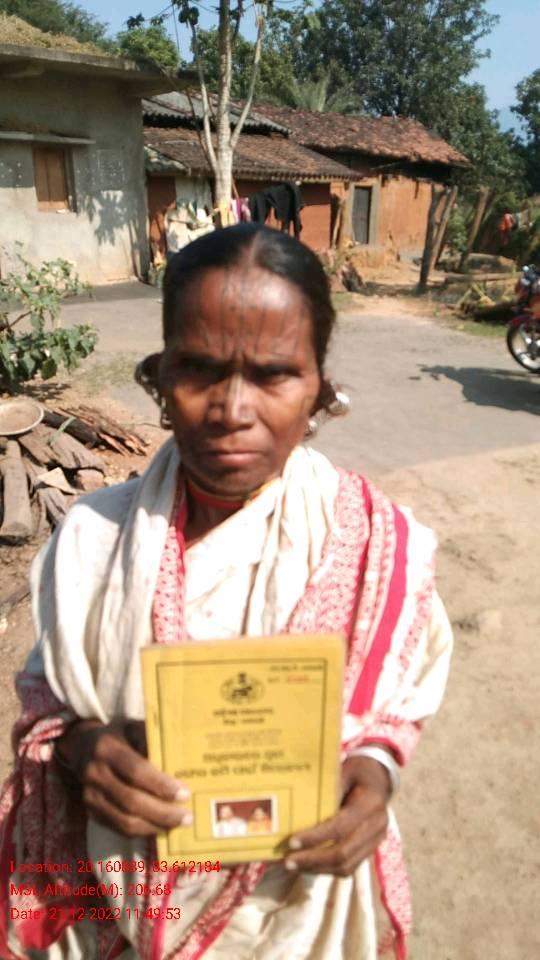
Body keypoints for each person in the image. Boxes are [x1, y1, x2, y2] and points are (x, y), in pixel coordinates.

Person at [0, 223, 452, 960]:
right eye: (200, 370)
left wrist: (373, 776)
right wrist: (83, 747)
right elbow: (47, 696)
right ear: (159, 378)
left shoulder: (380, 545)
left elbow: (401, 698)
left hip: (296, 909)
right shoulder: (92, 540)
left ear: (319, 388)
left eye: (274, 375)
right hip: (123, 903)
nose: (233, 410)